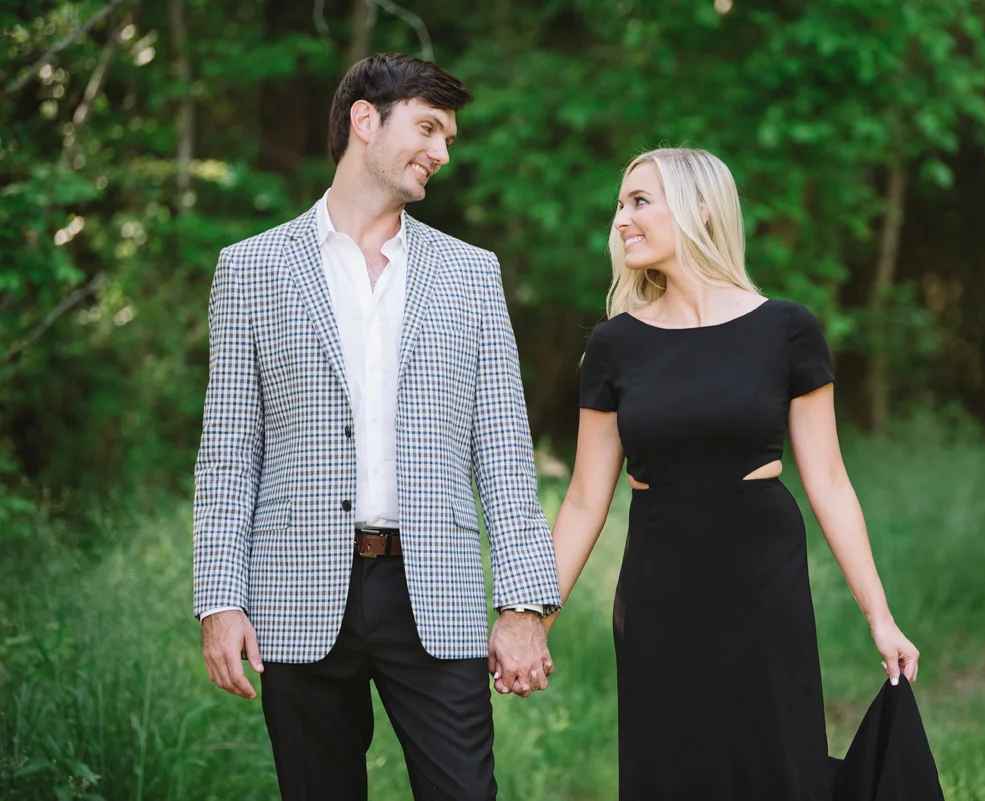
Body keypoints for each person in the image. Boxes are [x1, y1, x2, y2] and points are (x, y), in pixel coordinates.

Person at [192, 53, 561, 801]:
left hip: (435, 588)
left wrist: (523, 607)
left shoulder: (471, 274)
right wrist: (219, 598)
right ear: (366, 120)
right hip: (294, 589)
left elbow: (503, 451)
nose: (442, 152)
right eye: (428, 128)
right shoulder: (250, 269)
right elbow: (229, 452)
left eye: (448, 137)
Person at [544, 148, 922, 799]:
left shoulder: (787, 330)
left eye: (640, 201)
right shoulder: (614, 344)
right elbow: (582, 501)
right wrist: (533, 619)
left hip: (762, 586)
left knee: (775, 767)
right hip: (660, 592)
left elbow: (830, 482)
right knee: (672, 772)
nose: (621, 220)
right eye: (620, 205)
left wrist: (879, 616)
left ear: (699, 210)